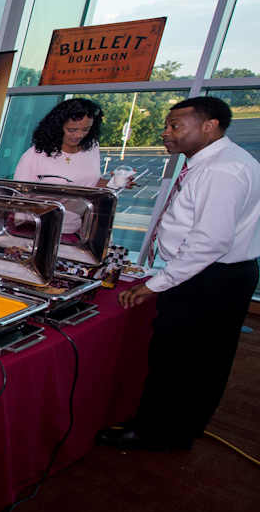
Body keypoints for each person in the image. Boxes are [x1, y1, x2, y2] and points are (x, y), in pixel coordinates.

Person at [104, 96, 260, 451]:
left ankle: (155, 433)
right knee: (204, 360)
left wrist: (156, 284)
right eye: (167, 126)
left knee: (178, 359)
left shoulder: (220, 170)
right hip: (218, 274)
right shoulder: (222, 161)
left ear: (210, 126)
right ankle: (182, 427)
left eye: (176, 126)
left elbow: (210, 241)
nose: (166, 133)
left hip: (209, 277)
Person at [13, 98, 106, 186]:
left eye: (85, 129)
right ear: (57, 127)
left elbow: (91, 183)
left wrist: (112, 183)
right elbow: (19, 196)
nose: (79, 135)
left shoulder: (92, 147)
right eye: (72, 130)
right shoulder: (34, 156)